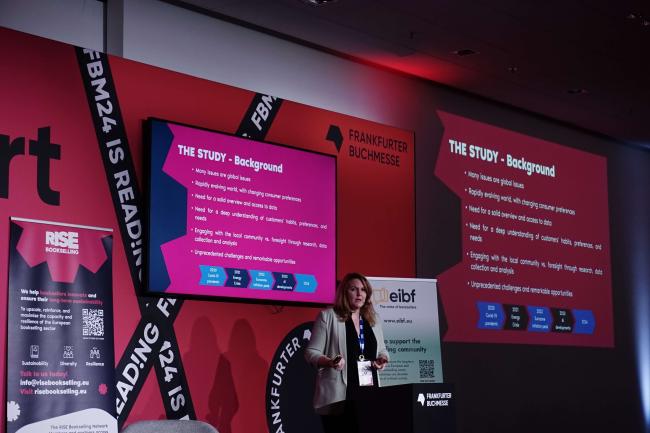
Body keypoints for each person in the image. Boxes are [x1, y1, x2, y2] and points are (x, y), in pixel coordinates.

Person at [305, 272, 390, 433]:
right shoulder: (328, 316)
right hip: (339, 396)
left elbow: (382, 349)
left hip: (368, 392)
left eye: (363, 290)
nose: (359, 294)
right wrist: (330, 361)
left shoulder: (373, 319)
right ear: (344, 292)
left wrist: (382, 358)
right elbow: (311, 352)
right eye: (354, 289)